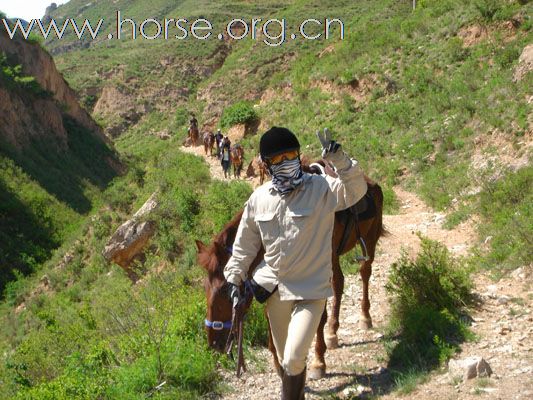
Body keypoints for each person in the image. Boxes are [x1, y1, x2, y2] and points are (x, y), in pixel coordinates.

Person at [223, 126, 367, 399]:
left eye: (290, 155)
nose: (285, 163)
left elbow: (355, 190)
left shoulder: (321, 189)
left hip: (311, 290)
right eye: (277, 159)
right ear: (267, 164)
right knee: (288, 362)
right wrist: (234, 277)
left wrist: (340, 160)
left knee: (292, 358)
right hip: (274, 290)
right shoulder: (258, 199)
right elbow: (244, 246)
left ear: (298, 154)